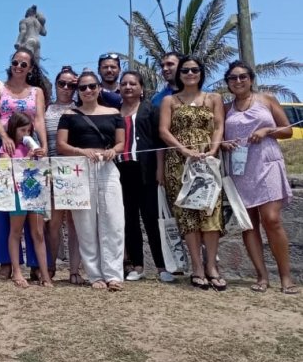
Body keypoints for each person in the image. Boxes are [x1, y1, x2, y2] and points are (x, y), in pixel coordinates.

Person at [221, 61, 298, 294]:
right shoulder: (226, 108)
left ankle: (286, 277)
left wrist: (267, 131)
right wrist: (224, 144)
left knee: (272, 219)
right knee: (249, 224)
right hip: (240, 168)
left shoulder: (267, 100)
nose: (238, 81)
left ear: (251, 79)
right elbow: (219, 136)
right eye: (233, 78)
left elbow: (288, 130)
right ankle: (261, 276)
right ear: (228, 83)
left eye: (243, 76)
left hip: (267, 163)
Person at [159, 56, 226, 291]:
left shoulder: (214, 98)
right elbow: (164, 131)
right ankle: (197, 268)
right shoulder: (170, 100)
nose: (190, 74)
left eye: (194, 70)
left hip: (208, 162)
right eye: (185, 70)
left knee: (210, 212)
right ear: (179, 74)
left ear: (201, 72)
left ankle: (212, 267)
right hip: (179, 162)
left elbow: (219, 126)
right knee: (188, 216)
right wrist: (185, 150)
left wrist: (214, 149)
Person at [56, 71, 126, 291]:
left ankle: (113, 274)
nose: (88, 91)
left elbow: (121, 143)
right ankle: (94, 274)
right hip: (80, 169)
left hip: (107, 168)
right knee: (85, 224)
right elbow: (61, 145)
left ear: (98, 88)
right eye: (83, 87)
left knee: (114, 221)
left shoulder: (114, 113)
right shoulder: (69, 115)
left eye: (92, 86)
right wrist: (81, 151)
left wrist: (112, 152)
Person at [0, 48, 48, 280]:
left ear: (30, 68)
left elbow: (39, 119)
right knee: (5, 207)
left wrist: (43, 146)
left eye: (24, 64)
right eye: (15, 62)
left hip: (30, 151)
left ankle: (35, 263)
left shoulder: (37, 92)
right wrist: (4, 137)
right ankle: (6, 263)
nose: (18, 67)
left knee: (33, 206)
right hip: (4, 149)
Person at [116, 71, 172, 282]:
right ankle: (137, 266)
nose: (128, 87)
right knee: (129, 219)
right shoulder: (114, 112)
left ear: (141, 88)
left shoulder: (151, 109)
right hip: (122, 171)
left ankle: (161, 266)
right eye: (124, 84)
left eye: (132, 83)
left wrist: (159, 169)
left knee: (151, 218)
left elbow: (159, 142)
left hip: (146, 170)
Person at [45, 66, 84, 285]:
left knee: (75, 223)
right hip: (52, 170)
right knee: (53, 222)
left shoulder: (81, 110)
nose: (67, 88)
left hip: (76, 170)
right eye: (63, 84)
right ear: (56, 85)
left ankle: (74, 269)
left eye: (72, 85)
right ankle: (49, 266)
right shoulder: (46, 110)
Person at [5, 112, 52, 288]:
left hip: (36, 192)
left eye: (29, 130)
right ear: (14, 129)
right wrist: (27, 158)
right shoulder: (7, 148)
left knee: (38, 233)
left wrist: (40, 156)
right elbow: (5, 169)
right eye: (22, 130)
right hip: (17, 193)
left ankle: (45, 274)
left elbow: (43, 170)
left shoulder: (35, 146)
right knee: (16, 232)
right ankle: (16, 271)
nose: (26, 134)